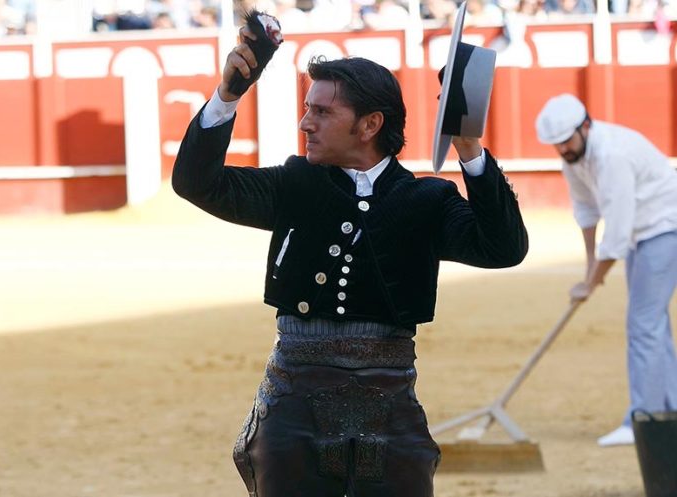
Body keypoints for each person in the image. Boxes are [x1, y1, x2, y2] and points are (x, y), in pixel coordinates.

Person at [172, 25, 528, 497]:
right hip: (295, 402)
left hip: (390, 404)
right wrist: (229, 94)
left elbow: (504, 248)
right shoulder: (294, 185)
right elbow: (197, 183)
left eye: (321, 111)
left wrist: (469, 149)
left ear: (369, 124)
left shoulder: (427, 200)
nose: (305, 124)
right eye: (306, 110)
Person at [536, 94, 677, 447]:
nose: (563, 149)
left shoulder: (611, 154)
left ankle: (640, 420)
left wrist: (593, 281)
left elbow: (616, 229)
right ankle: (668, 410)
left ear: (585, 126)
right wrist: (588, 271)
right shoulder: (574, 157)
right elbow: (586, 212)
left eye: (566, 140)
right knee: (653, 325)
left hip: (664, 227)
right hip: (644, 233)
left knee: (644, 325)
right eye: (556, 144)